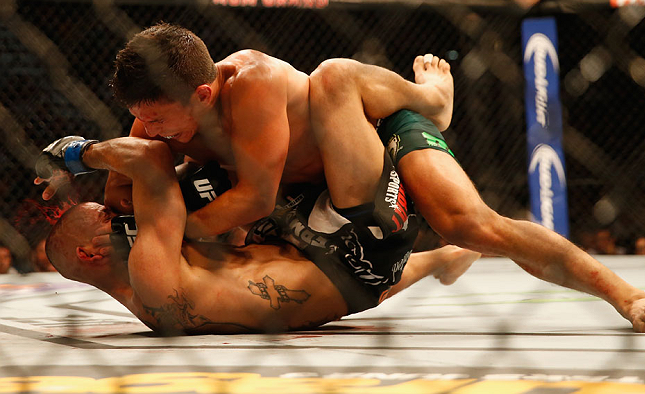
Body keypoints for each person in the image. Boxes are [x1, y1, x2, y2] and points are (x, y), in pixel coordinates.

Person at [307, 57, 645, 334]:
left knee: (471, 225)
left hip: (376, 123)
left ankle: (626, 295)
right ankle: (446, 257)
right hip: (329, 182)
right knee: (349, 265)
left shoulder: (260, 97)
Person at [37, 135, 479, 334]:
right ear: (92, 253)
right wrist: (75, 153)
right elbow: (150, 155)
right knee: (338, 90)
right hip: (356, 252)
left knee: (216, 187)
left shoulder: (158, 282)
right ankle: (428, 109)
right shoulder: (151, 272)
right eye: (103, 216)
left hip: (340, 281)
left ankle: (444, 259)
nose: (114, 209)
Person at [98, 23, 453, 242]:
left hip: (363, 156)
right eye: (142, 118)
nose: (150, 130)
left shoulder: (252, 83)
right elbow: (118, 192)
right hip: (303, 203)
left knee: (334, 75)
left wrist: (170, 232)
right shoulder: (155, 116)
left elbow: (255, 198)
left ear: (202, 96)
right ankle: (444, 258)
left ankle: (433, 97)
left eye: (157, 120)